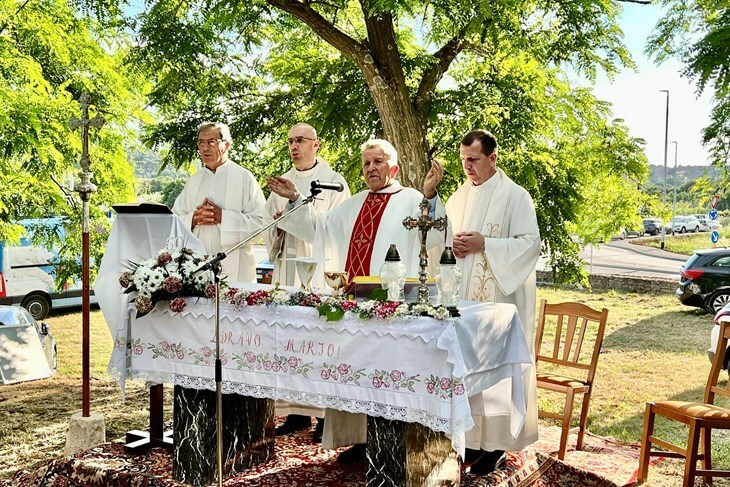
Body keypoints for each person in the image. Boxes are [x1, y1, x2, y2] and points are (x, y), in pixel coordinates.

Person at [270, 138, 446, 463]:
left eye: (377, 162)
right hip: (354, 306)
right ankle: (361, 441)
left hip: (392, 309)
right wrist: (296, 197)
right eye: (366, 164)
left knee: (386, 374)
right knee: (356, 373)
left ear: (393, 167)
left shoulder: (410, 199)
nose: (370, 169)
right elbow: (320, 229)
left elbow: (433, 232)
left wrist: (431, 195)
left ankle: (390, 443)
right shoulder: (354, 203)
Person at [445, 129, 541, 475]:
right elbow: (444, 242)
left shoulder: (516, 197)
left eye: (473, 160)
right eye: (463, 160)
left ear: (492, 158)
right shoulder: (456, 199)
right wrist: (452, 248)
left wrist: (487, 244)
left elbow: (531, 244)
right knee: (467, 366)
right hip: (465, 299)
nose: (467, 166)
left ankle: (497, 445)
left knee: (496, 371)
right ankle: (470, 441)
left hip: (500, 301)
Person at [264, 123, 350, 443]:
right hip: (288, 267)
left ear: (317, 144)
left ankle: (326, 416)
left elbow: (335, 232)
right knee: (289, 341)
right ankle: (297, 412)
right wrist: (277, 226)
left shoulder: (335, 183)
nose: (294, 146)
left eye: (300, 140)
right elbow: (267, 225)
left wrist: (295, 204)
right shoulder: (281, 182)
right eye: (290, 141)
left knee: (319, 343)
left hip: (319, 272)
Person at [172, 122, 266, 282]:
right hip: (197, 266)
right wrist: (193, 219)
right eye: (201, 143)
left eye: (211, 142)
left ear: (227, 144)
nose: (205, 148)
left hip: (236, 267)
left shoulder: (244, 178)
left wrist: (223, 217)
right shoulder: (193, 181)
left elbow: (262, 223)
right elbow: (174, 221)